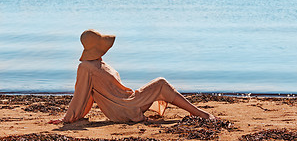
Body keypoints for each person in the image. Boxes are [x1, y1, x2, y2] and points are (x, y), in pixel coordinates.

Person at [49, 29, 215, 124]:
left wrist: (78, 117)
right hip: (124, 109)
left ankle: (197, 112)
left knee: (160, 84)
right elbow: (82, 95)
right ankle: (199, 113)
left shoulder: (99, 64)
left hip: (128, 102)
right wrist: (69, 118)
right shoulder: (85, 67)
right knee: (161, 83)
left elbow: (91, 95)